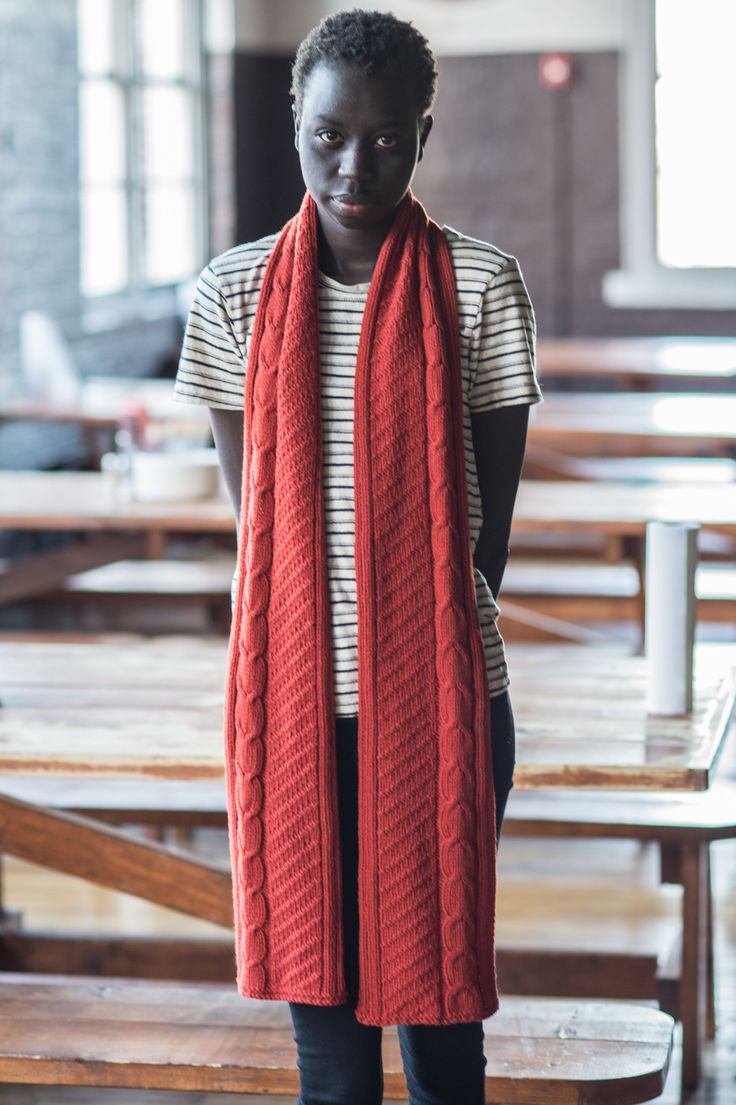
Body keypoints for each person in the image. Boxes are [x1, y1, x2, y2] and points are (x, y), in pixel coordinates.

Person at [174, 9, 542, 1104]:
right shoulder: (232, 293)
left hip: (444, 702)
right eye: (332, 134)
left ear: (423, 137)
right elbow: (264, 535)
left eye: (387, 139)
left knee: (440, 1040)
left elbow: (486, 540)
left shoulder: (481, 287)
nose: (356, 163)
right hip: (293, 707)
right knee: (330, 1058)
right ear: (296, 121)